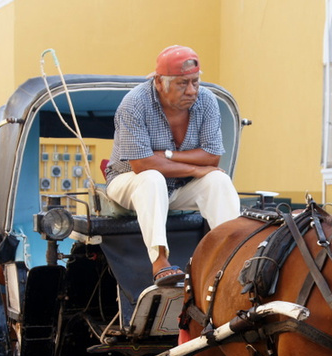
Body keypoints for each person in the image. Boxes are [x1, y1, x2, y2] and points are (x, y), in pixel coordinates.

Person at [103, 45, 241, 286]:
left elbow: (212, 157)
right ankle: (160, 262)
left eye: (195, 82)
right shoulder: (134, 103)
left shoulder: (207, 101)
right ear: (159, 82)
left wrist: (167, 155)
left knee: (219, 180)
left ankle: (233, 256)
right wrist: (194, 169)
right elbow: (142, 164)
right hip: (128, 183)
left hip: (177, 187)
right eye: (182, 83)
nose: (192, 90)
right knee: (152, 177)